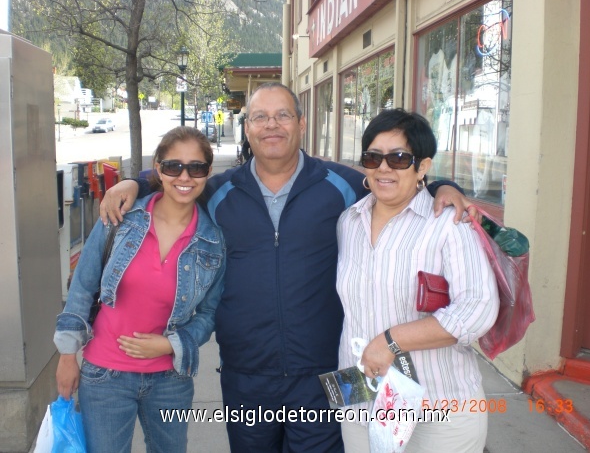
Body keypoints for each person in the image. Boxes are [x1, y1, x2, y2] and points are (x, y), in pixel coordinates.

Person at [98, 83, 475, 452]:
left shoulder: (342, 185)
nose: (272, 125)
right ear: (247, 128)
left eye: (283, 115)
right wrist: (134, 181)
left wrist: (442, 185)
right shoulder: (219, 191)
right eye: (260, 117)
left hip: (327, 373)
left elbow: (394, 179)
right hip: (246, 374)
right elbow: (177, 184)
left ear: (302, 123)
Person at [54, 126, 225, 453]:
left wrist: (170, 344)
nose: (184, 176)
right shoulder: (120, 217)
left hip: (171, 380)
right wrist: (66, 354)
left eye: (196, 167)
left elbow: (209, 313)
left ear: (207, 173)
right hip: (105, 376)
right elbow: (82, 288)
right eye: (173, 166)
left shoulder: (213, 241)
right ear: (158, 169)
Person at [337, 109, 499, 452]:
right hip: (361, 395)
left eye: (398, 158)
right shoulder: (349, 222)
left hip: (439, 403)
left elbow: (478, 309)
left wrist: (391, 341)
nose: (383, 167)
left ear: (422, 167)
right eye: (373, 156)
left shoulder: (449, 224)